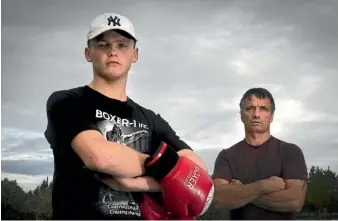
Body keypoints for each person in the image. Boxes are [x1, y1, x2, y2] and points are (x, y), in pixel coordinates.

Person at [44, 12, 213, 220]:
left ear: (135, 54)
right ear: (88, 53)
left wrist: (137, 183)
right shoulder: (66, 102)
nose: (113, 52)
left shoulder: (151, 120)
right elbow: (101, 157)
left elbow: (199, 172)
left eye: (122, 45)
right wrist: (167, 171)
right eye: (103, 44)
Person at [212, 87, 308, 220]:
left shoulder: (290, 152)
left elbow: (294, 201)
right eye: (250, 108)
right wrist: (263, 186)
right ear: (241, 115)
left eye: (263, 109)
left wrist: (241, 192)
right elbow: (219, 198)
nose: (256, 114)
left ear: (272, 116)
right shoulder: (226, 156)